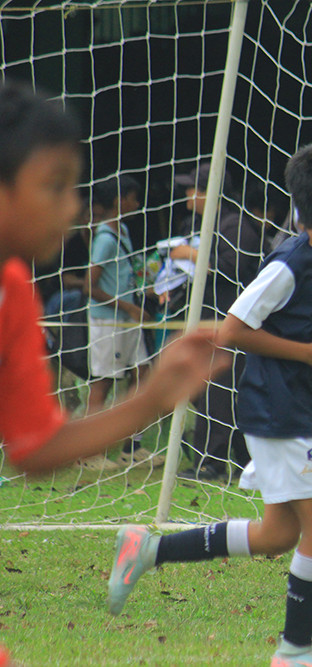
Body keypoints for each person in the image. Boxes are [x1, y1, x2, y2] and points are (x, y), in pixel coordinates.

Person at [107, 141, 312, 667]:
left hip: (290, 402)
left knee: (278, 535)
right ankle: (294, 652)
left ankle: (148, 548)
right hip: (276, 408)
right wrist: (309, 353)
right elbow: (231, 330)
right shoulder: (291, 262)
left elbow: (295, 334)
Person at [0, 82, 226, 665]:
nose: (73, 205)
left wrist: (157, 396)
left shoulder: (15, 292)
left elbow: (35, 448)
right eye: (54, 185)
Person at [172, 162, 263, 479]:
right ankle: (240, 459)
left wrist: (193, 256)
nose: (186, 197)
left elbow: (235, 269)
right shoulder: (197, 225)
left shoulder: (236, 224)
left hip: (230, 324)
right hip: (205, 320)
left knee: (219, 390)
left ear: (211, 194)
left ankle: (210, 463)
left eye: (192, 190)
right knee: (202, 388)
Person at [83, 174, 162, 471]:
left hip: (128, 320)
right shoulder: (104, 238)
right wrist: (128, 306)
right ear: (119, 201)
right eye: (133, 197)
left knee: (141, 374)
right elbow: (90, 287)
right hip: (109, 321)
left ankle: (132, 447)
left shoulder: (124, 231)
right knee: (103, 380)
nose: (137, 203)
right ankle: (89, 451)